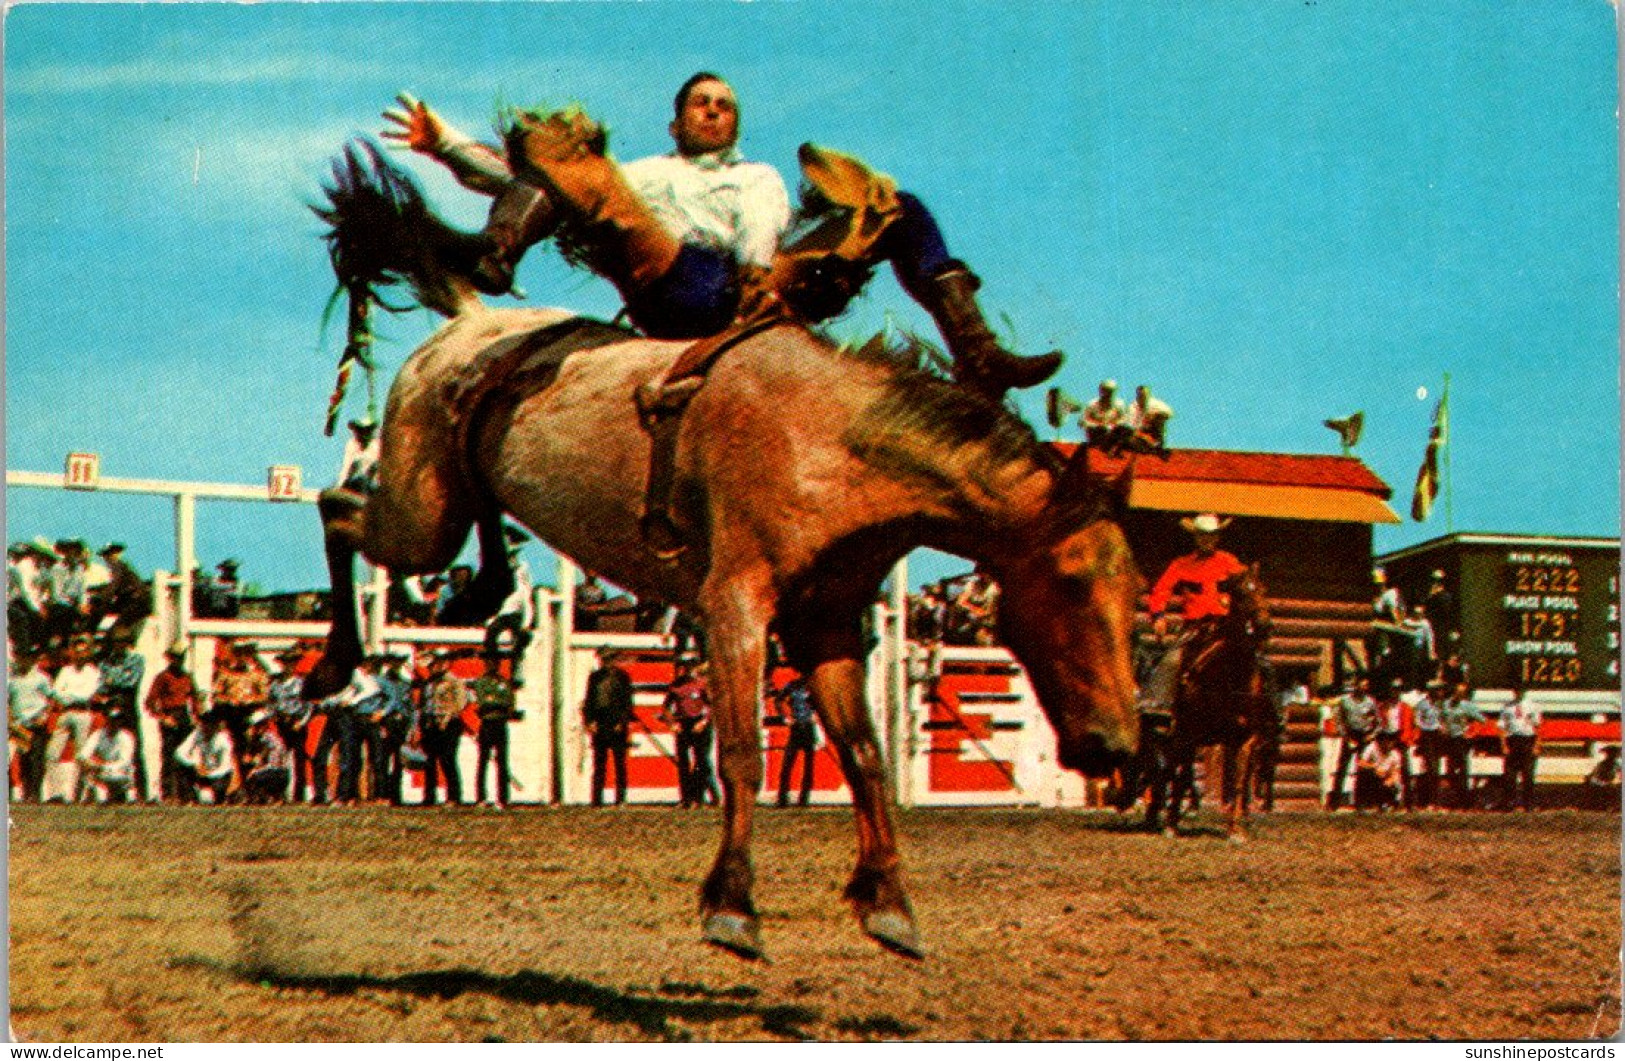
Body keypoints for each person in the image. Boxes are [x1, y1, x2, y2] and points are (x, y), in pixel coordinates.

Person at [384, 73, 1062, 401]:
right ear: (676, 123)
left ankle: (976, 350)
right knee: (566, 151)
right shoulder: (646, 175)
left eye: (724, 104)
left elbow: (771, 235)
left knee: (894, 204)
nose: (713, 110)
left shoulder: (759, 176)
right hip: (677, 283)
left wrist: (770, 276)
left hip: (757, 284)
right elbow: (521, 173)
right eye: (700, 103)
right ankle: (495, 253)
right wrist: (442, 142)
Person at [1142, 513, 1250, 712]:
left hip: (1225, 625)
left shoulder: (1229, 562)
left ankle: (1272, 711)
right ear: (1195, 537)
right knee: (1172, 661)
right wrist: (1158, 616)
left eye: (1211, 535)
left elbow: (1247, 586)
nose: (1206, 540)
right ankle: (1156, 708)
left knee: (1257, 660)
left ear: (1218, 537)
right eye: (1202, 535)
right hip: (1195, 627)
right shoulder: (1181, 565)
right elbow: (1160, 590)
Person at [44, 633, 100, 802]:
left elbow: (87, 695)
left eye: (83, 651)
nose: (79, 655)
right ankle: (55, 793)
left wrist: (69, 694)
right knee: (52, 753)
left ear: (88, 653)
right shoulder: (66, 670)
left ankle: (82, 794)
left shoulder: (93, 672)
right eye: (77, 651)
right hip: (65, 713)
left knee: (82, 755)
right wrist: (70, 696)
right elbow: (56, 692)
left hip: (83, 713)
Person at [582, 650, 636, 807]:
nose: (605, 662)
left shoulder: (622, 677)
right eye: (603, 659)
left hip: (617, 723)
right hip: (600, 721)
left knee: (619, 763)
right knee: (599, 763)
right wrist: (590, 720)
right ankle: (597, 799)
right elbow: (589, 700)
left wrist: (622, 721)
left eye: (608, 659)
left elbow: (628, 702)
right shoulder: (594, 677)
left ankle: (621, 798)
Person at [211, 640, 270, 781]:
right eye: (239, 654)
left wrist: (250, 699)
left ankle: (249, 779)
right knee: (232, 749)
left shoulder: (257, 675)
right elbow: (216, 695)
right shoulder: (225, 674)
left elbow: (265, 695)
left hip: (250, 715)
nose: (242, 657)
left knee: (250, 748)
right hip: (232, 715)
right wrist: (229, 700)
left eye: (245, 654)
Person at [663, 659, 718, 807]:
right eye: (685, 667)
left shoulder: (702, 684)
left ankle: (698, 798)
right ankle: (685, 798)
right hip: (683, 724)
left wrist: (704, 721)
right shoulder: (675, 686)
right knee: (683, 763)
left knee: (701, 761)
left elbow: (713, 706)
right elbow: (666, 708)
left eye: (690, 667)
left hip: (700, 724)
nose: (687, 670)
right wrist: (672, 723)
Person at [418, 651, 469, 805]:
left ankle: (453, 796)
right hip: (431, 723)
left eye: (433, 665)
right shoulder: (427, 683)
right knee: (429, 761)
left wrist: (447, 716)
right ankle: (429, 797)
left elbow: (461, 703)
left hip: (448, 724)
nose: (431, 669)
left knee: (448, 760)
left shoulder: (453, 681)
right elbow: (423, 703)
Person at [470, 654, 520, 808]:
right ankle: (481, 797)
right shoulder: (481, 682)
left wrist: (495, 702)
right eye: (489, 663)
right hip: (487, 722)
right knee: (483, 760)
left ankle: (503, 798)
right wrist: (495, 703)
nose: (492, 666)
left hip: (500, 722)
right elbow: (482, 702)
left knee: (502, 761)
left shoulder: (504, 682)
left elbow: (508, 703)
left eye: (494, 663)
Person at [9, 647, 56, 801]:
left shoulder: (41, 678)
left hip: (36, 722)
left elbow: (51, 698)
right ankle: (26, 792)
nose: (24, 661)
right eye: (21, 657)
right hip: (19, 725)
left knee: (36, 760)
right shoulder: (11, 679)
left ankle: (36, 794)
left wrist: (44, 716)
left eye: (27, 658)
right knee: (23, 760)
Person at [269, 649, 315, 802]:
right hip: (282, 722)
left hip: (298, 722)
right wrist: (275, 717)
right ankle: (281, 793)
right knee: (281, 758)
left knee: (300, 759)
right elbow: (271, 704)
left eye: (291, 663)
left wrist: (301, 722)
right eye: (286, 663)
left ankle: (298, 794)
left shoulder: (302, 683)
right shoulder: (275, 684)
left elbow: (309, 706)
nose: (288, 666)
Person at [482, 525, 534, 659]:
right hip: (501, 614)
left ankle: (516, 656)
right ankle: (493, 664)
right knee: (491, 634)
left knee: (523, 635)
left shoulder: (521, 572)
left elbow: (526, 598)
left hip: (514, 614)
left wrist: (526, 622)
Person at [1328, 675, 1378, 811]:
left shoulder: (1370, 702)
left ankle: (1360, 802)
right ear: (1356, 686)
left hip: (1364, 736)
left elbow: (1378, 722)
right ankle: (1334, 802)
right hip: (1350, 735)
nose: (1364, 688)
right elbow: (1338, 720)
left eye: (1366, 686)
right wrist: (1346, 737)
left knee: (1362, 769)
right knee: (1342, 768)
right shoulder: (1345, 701)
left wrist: (1372, 735)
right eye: (1362, 685)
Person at [91, 543, 152, 644]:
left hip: (136, 602)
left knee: (117, 628)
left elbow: (114, 586)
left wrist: (100, 598)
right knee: (106, 613)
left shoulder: (118, 566)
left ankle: (111, 646)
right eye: (105, 555)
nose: (107, 558)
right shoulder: (121, 567)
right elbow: (113, 586)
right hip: (130, 601)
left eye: (109, 554)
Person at [774, 675, 820, 808]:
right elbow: (778, 700)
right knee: (787, 764)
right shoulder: (792, 685)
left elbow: (822, 703)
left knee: (808, 766)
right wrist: (785, 717)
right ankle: (782, 798)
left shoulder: (813, 685)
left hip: (808, 727)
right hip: (796, 727)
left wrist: (816, 715)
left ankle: (803, 799)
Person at [1440, 682, 1484, 810]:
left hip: (1462, 740)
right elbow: (1440, 718)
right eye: (1457, 692)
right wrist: (1442, 727)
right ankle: (1453, 799)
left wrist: (1472, 732)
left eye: (1462, 693)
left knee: (1463, 770)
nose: (1458, 695)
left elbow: (1482, 720)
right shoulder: (1446, 704)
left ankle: (1465, 802)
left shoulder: (1468, 706)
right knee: (1450, 770)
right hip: (1449, 740)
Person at [175, 711, 235, 804]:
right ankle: (188, 798)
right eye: (204, 723)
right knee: (182, 767)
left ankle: (218, 797)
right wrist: (194, 764)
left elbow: (224, 767)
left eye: (209, 724)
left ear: (215, 726)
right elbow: (179, 753)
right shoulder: (197, 733)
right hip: (203, 772)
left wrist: (207, 773)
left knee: (212, 796)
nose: (205, 727)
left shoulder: (224, 741)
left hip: (220, 775)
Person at [1499, 687, 1542, 812]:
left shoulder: (1532, 706)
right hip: (1513, 740)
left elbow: (1538, 727)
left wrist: (1536, 745)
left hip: (1527, 740)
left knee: (1528, 774)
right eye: (1517, 690)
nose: (1519, 692)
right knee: (1510, 774)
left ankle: (1528, 803)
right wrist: (1504, 745)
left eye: (1521, 690)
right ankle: (1509, 803)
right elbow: (1502, 726)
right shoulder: (1507, 707)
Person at [79, 718, 137, 804]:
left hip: (120, 771)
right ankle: (100, 799)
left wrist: (104, 766)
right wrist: (91, 763)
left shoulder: (126, 736)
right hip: (100, 771)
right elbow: (83, 755)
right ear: (107, 722)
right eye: (111, 721)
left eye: (116, 721)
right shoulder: (98, 734)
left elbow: (125, 761)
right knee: (93, 777)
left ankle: (130, 798)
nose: (114, 724)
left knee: (127, 771)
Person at [1410, 678, 1447, 809]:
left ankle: (1435, 800)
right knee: (1430, 767)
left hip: (1438, 736)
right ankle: (1430, 800)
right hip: (1427, 736)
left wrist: (1442, 726)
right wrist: (1428, 727)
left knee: (1436, 768)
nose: (1441, 692)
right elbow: (1417, 719)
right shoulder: (1422, 704)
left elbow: (1443, 717)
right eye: (1439, 690)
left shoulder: (1440, 705)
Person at [240, 710, 293, 803]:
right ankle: (266, 797)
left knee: (253, 775)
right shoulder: (264, 738)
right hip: (278, 771)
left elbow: (269, 761)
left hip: (277, 772)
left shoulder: (268, 738)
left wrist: (255, 769)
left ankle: (268, 797)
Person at [1354, 731, 1404, 811]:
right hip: (1374, 775)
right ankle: (1362, 804)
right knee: (1363, 774)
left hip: (1386, 777)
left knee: (1394, 786)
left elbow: (1396, 771)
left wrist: (1390, 780)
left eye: (1390, 742)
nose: (1389, 745)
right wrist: (1374, 768)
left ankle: (1388, 804)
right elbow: (1361, 763)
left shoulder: (1395, 754)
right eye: (1386, 741)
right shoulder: (1372, 747)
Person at [336, 416, 381, 495]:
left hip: (371, 486)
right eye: (357, 431)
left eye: (364, 430)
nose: (359, 434)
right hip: (354, 484)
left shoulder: (377, 446)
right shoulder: (352, 445)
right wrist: (340, 486)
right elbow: (346, 468)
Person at [1081, 380, 1130, 450]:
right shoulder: (1092, 404)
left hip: (1112, 434)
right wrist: (1097, 425)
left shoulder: (1120, 404)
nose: (1108, 393)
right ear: (1100, 391)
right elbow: (1084, 421)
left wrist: (1112, 426)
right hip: (1097, 434)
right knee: (1099, 430)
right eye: (1106, 390)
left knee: (1126, 430)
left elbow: (1124, 419)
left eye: (1111, 391)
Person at [1125, 384, 1174, 452]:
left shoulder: (1156, 404)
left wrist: (1153, 416)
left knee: (1159, 417)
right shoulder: (1133, 407)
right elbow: (1130, 423)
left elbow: (1169, 413)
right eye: (1141, 395)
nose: (1143, 397)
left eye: (1145, 395)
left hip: (1154, 432)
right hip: (1139, 432)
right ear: (1137, 396)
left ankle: (1157, 444)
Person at [1422, 569, 1457, 645]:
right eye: (1434, 580)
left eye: (1439, 581)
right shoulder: (1430, 594)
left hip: (1444, 623)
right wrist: (1431, 595)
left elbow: (1449, 611)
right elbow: (1424, 606)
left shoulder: (1447, 595)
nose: (1436, 583)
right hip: (1433, 622)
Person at [1583, 746, 1621, 811]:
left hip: (1608, 783)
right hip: (1600, 783)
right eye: (1611, 754)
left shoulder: (1617, 764)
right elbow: (1594, 777)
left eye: (1614, 754)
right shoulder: (1602, 764)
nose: (1613, 755)